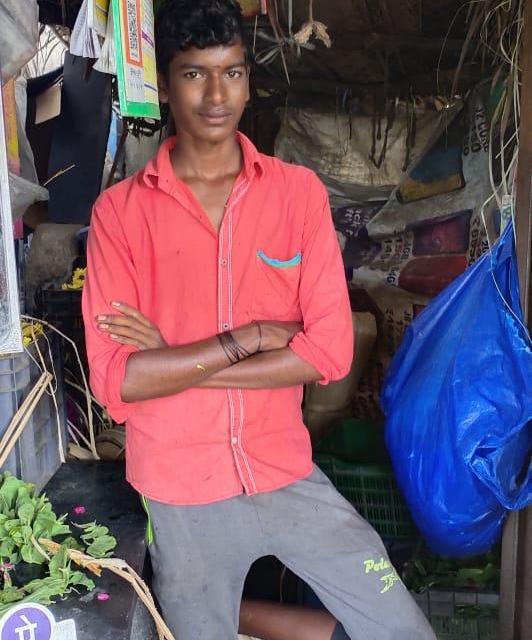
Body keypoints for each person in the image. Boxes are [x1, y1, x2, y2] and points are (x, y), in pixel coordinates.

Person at [82, 2, 436, 639]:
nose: (218, 96)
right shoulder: (120, 214)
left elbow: (328, 353)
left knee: (399, 629)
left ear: (249, 80)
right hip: (180, 487)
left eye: (233, 73)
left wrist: (175, 361)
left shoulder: (296, 194)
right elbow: (118, 383)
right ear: (165, 84)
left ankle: (241, 615)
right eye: (195, 74)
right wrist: (247, 340)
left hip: (284, 469)